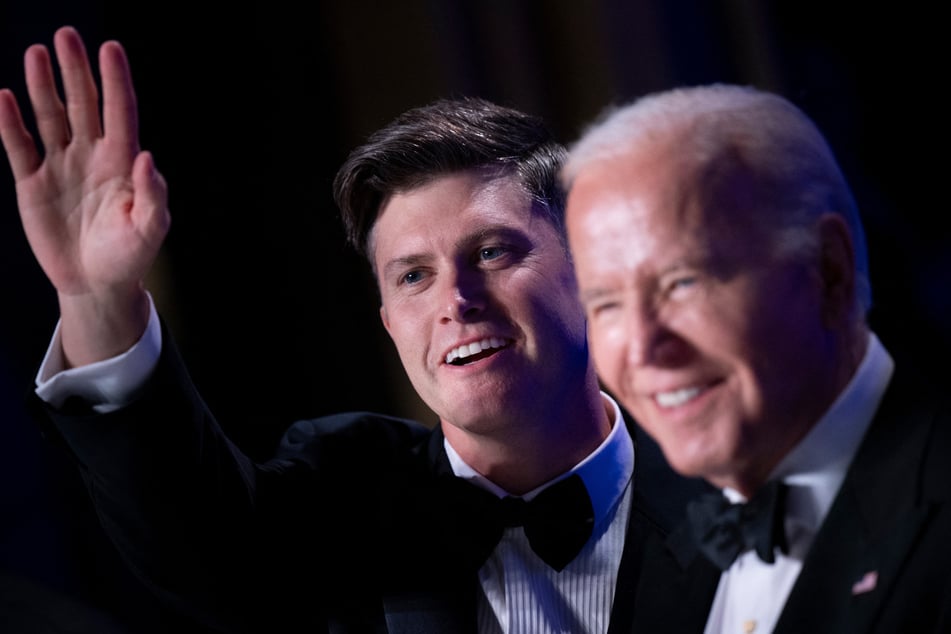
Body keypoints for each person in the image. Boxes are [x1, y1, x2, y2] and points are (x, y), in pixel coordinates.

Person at [0, 26, 707, 633]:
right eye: (412, 276)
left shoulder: (736, 490)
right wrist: (96, 297)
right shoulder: (346, 492)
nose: (454, 300)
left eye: (490, 253)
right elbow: (192, 539)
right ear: (388, 323)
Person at [560, 83, 951, 633]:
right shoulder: (661, 565)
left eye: (683, 282)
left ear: (828, 271)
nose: (644, 346)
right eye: (606, 304)